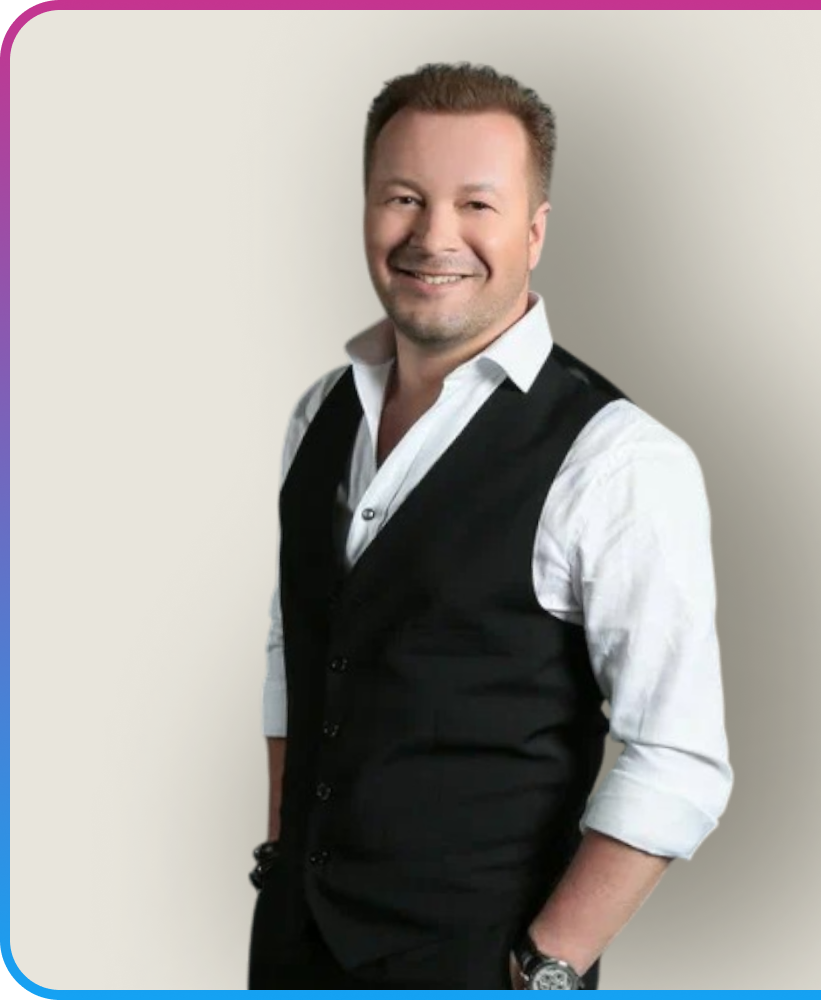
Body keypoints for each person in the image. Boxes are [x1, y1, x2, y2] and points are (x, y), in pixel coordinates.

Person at [247, 62, 732, 990]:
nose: (434, 236)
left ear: (534, 231)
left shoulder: (618, 459)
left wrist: (545, 966)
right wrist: (283, 859)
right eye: (403, 197)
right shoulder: (319, 413)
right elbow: (296, 647)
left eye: (477, 204)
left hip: (477, 964)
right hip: (290, 951)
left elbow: (680, 758)